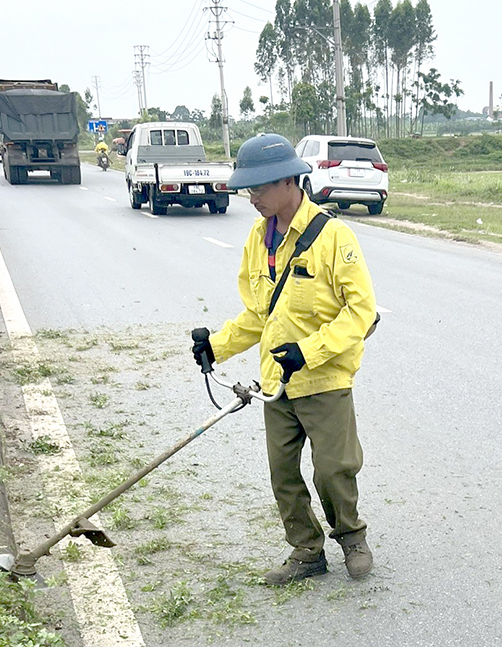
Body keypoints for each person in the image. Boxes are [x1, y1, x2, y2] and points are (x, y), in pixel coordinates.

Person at [191, 133, 378, 585]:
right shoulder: (258, 238)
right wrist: (216, 346)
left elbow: (362, 311)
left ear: (289, 182)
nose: (251, 197)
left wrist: (308, 351)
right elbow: (260, 313)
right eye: (249, 189)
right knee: (283, 474)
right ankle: (306, 551)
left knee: (333, 469)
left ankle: (351, 537)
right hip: (277, 382)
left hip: (325, 378)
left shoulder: (334, 236)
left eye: (258, 188)